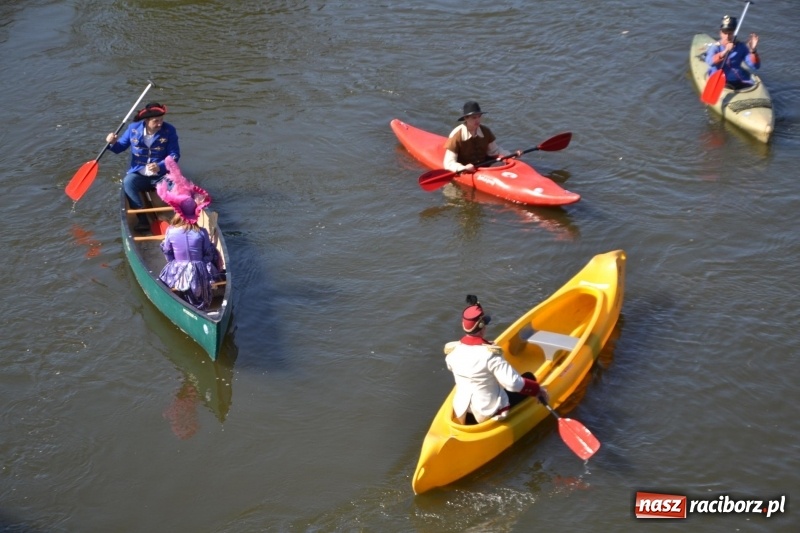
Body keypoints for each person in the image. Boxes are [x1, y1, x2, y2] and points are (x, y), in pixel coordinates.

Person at [444, 295, 548, 424]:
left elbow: (470, 362)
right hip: (487, 412)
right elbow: (513, 383)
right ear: (482, 327)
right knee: (529, 377)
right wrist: (537, 390)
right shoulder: (490, 355)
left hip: (461, 410)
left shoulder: (452, 352)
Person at [157, 158, 221, 310]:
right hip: (199, 271)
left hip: (177, 269)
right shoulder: (202, 232)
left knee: (168, 272)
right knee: (213, 254)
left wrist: (173, 263)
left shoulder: (171, 231)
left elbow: (167, 251)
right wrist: (205, 264)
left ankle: (180, 298)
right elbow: (208, 253)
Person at [106, 102, 181, 232]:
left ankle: (179, 219)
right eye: (156, 121)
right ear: (146, 120)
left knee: (178, 189)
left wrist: (160, 166)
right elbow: (119, 148)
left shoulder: (169, 130)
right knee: (128, 182)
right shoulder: (133, 129)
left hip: (161, 175)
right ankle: (142, 219)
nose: (160, 124)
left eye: (161, 120)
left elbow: (175, 154)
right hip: (139, 175)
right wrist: (112, 143)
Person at [442, 101, 521, 174]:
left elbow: (494, 151)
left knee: (500, 163)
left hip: (483, 164)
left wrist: (511, 155)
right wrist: (463, 168)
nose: (477, 120)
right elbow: (449, 163)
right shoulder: (456, 135)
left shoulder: (485, 131)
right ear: (466, 118)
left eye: (479, 117)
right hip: (466, 167)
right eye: (474, 118)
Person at [705, 15, 760, 90]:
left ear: (734, 33)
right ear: (720, 33)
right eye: (725, 32)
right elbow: (710, 62)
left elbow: (755, 67)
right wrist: (724, 52)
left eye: (730, 33)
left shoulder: (741, 47)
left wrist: (753, 50)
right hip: (720, 80)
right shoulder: (715, 47)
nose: (727, 36)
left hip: (739, 80)